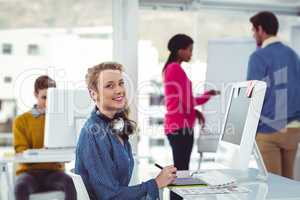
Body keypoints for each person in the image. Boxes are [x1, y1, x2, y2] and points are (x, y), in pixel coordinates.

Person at [75, 62, 177, 200]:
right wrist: (156, 182)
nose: (119, 90)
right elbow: (110, 196)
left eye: (121, 83)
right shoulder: (94, 133)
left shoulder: (114, 126)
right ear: (94, 94)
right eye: (110, 86)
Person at [162, 34, 219, 200]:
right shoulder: (175, 69)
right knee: (181, 172)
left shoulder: (171, 68)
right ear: (180, 50)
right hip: (180, 127)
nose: (191, 54)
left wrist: (195, 112)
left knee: (180, 171)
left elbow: (179, 101)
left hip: (177, 125)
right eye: (189, 50)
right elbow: (187, 101)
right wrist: (208, 95)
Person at [247, 11, 300, 179]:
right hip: (294, 129)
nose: (253, 35)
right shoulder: (293, 55)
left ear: (261, 29)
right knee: (288, 183)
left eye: (254, 30)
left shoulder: (258, 56)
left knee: (273, 185)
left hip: (268, 129)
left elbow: (253, 95)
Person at [13, 75, 77, 200]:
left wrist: (64, 154)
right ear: (35, 95)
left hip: (55, 173)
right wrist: (41, 153)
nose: (48, 102)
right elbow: (20, 151)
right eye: (44, 97)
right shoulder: (21, 120)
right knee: (20, 187)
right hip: (29, 173)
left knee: (71, 183)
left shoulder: (62, 120)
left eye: (52, 98)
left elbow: (67, 146)